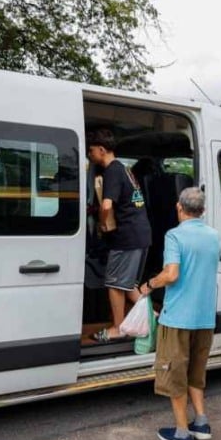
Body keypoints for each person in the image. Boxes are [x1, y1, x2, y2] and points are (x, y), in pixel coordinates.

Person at [138, 187, 221, 440]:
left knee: (175, 375)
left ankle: (182, 433)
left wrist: (149, 284)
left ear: (178, 208)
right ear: (203, 210)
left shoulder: (174, 235)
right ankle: (202, 422)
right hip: (205, 318)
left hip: (177, 319)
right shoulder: (214, 236)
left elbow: (172, 274)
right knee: (196, 372)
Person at [86, 129, 151, 342]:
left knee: (114, 284)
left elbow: (106, 205)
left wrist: (104, 225)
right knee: (128, 284)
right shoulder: (124, 169)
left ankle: (118, 328)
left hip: (126, 236)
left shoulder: (112, 171)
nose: (89, 155)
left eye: (91, 150)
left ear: (102, 150)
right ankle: (156, 319)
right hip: (140, 234)